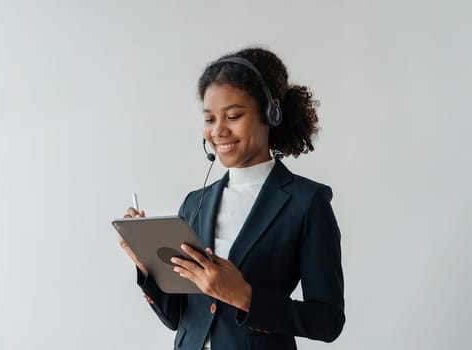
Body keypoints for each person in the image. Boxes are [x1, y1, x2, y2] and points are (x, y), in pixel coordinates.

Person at [118, 47, 345, 350]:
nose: (218, 131)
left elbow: (327, 321)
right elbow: (178, 318)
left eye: (233, 116)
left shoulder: (307, 201)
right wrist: (148, 269)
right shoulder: (194, 203)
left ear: (270, 113)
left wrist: (244, 296)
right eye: (210, 119)